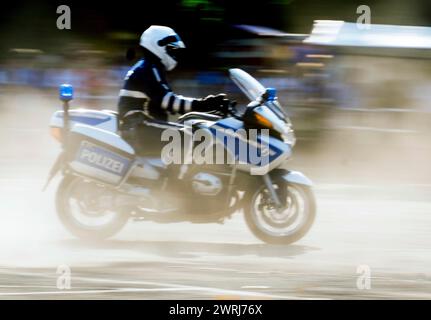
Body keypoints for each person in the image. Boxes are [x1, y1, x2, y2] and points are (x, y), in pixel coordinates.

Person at [118, 25, 228, 156]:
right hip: (138, 126)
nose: (174, 53)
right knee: (192, 136)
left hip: (138, 126)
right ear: (157, 45)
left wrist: (204, 107)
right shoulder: (148, 68)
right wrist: (204, 104)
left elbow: (166, 104)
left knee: (193, 131)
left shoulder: (149, 67)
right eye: (171, 49)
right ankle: (177, 177)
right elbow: (168, 101)